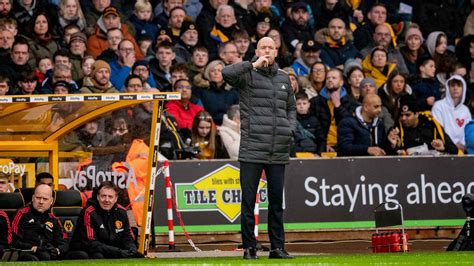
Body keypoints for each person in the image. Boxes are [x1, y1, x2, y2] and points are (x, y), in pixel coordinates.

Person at [222, 37, 295, 259]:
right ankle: (249, 247)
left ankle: (277, 248)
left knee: (275, 203)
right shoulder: (247, 73)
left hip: (278, 148)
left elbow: (291, 107)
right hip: (252, 147)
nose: (267, 51)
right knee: (248, 200)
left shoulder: (284, 78)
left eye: (271, 48)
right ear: (257, 50)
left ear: (276, 51)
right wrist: (252, 64)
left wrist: (288, 129)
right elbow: (226, 73)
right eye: (263, 47)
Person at [69, 181, 143, 259]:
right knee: (98, 256)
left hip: (113, 249)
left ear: (116, 198)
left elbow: (127, 236)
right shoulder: (88, 212)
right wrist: (118, 252)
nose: (106, 200)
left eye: (110, 197)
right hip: (88, 250)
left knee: (139, 256)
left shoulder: (122, 212)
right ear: (98, 197)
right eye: (103, 196)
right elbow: (91, 243)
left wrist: (132, 249)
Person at [387, 94, 458, 155]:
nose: (403, 118)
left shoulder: (432, 125)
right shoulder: (396, 130)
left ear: (416, 114)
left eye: (407, 115)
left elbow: (454, 150)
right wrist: (392, 146)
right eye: (401, 115)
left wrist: (443, 147)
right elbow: (386, 157)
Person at [11, 184, 68, 261]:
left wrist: (57, 250)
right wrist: (32, 247)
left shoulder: (54, 219)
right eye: (38, 198)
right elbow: (14, 241)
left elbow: (64, 242)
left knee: (78, 255)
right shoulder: (21, 214)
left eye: (45, 199)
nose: (41, 202)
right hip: (27, 253)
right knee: (43, 256)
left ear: (51, 201)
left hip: (47, 252)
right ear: (33, 198)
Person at [310, 68, 358, 152]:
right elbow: (311, 127)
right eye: (328, 78)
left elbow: (353, 125)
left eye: (334, 78)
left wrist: (338, 106)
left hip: (344, 147)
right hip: (322, 147)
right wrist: (323, 145)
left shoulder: (351, 102)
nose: (330, 80)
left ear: (341, 82)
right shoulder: (315, 102)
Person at [431, 75, 472, 152]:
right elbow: (438, 129)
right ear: (448, 88)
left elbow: (468, 132)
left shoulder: (465, 110)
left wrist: (463, 144)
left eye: (459, 86)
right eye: (452, 85)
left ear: (463, 89)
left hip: (462, 150)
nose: (455, 88)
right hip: (444, 148)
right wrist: (452, 145)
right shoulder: (438, 106)